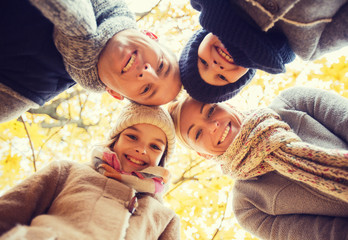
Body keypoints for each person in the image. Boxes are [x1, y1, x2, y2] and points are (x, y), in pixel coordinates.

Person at [168, 86, 348, 239]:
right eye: (198, 134)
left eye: (210, 110)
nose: (212, 126)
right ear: (203, 154)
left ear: (227, 103)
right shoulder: (247, 207)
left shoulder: (293, 102)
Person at [0, 102, 180, 240]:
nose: (142, 149)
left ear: (162, 159)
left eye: (155, 146)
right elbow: (6, 214)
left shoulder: (165, 217)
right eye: (132, 137)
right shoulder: (66, 171)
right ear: (115, 140)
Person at [0, 0, 182, 123]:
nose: (147, 73)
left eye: (146, 89)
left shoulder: (27, 89)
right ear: (150, 35)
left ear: (114, 94)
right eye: (161, 66)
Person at [179, 0, 348, 103]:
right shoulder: (309, 48)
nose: (216, 66)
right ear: (244, 77)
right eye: (221, 77)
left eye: (203, 62)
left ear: (199, 40)